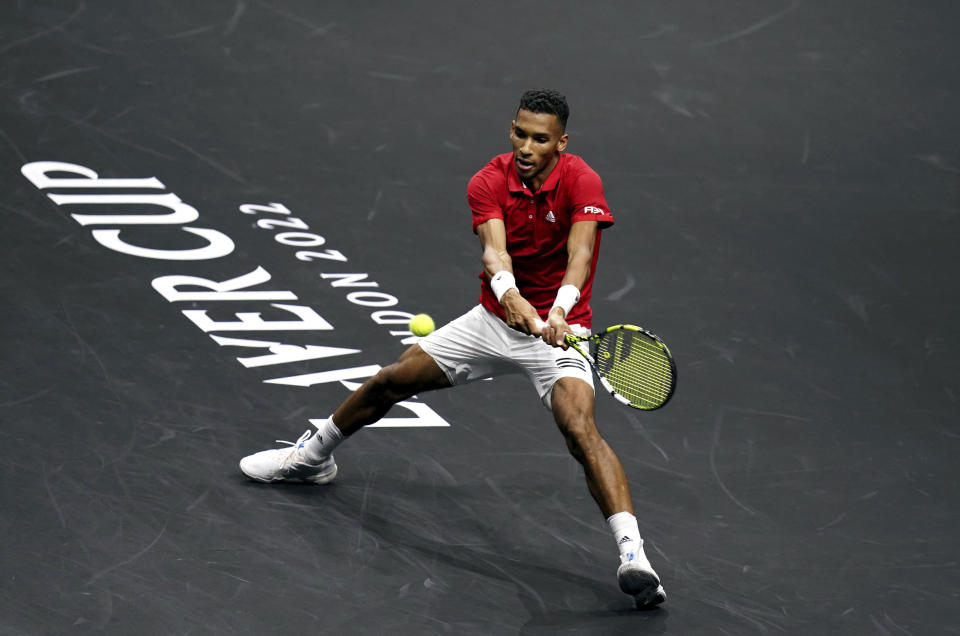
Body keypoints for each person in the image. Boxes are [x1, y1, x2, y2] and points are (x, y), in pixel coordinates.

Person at [239, 89, 666, 608]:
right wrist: (511, 297)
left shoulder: (581, 180)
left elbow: (581, 251)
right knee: (389, 381)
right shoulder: (488, 180)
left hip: (561, 330)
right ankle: (310, 459)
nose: (526, 147)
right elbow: (495, 250)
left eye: (541, 138)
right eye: (520, 133)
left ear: (561, 142)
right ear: (511, 128)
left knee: (580, 429)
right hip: (492, 321)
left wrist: (557, 310)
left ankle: (634, 558)